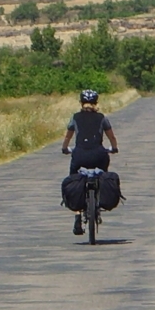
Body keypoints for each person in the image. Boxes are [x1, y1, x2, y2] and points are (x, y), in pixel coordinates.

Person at [61, 89, 119, 235]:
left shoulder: (75, 118)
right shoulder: (102, 118)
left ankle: (77, 215)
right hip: (99, 155)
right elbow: (112, 137)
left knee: (73, 178)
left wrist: (65, 149)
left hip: (79, 155)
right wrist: (114, 148)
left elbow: (67, 138)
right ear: (96, 103)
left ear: (81, 103)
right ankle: (99, 197)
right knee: (103, 174)